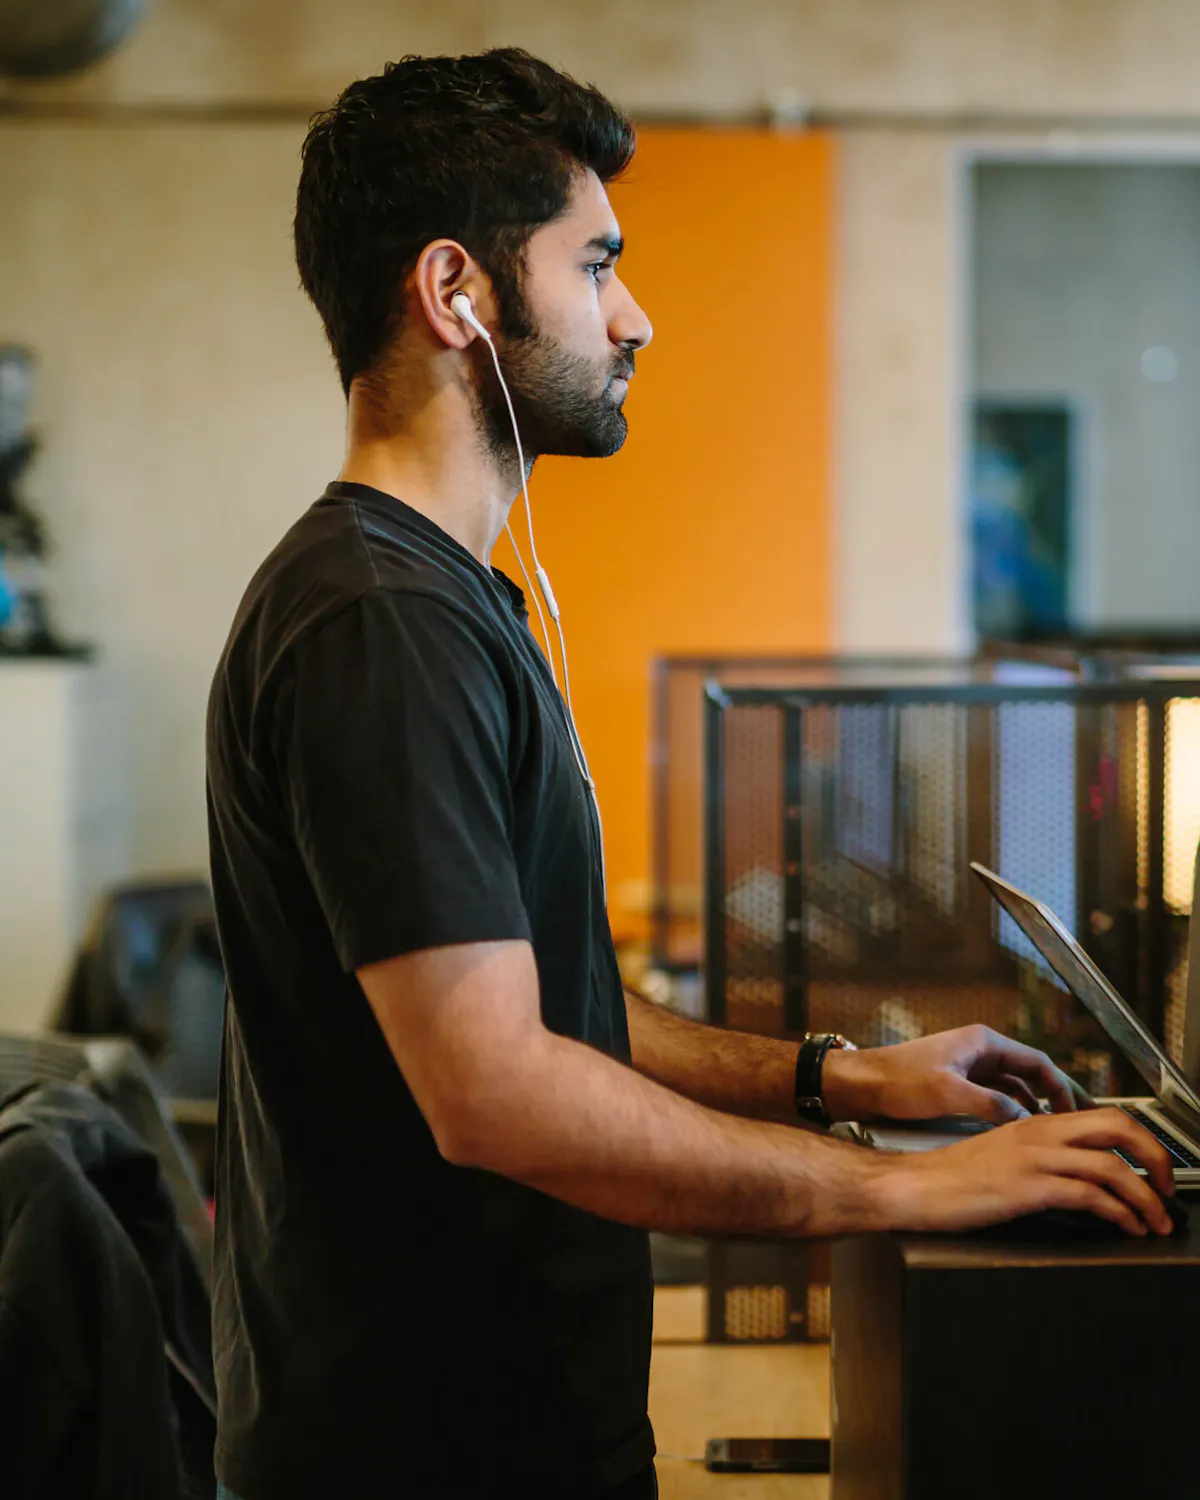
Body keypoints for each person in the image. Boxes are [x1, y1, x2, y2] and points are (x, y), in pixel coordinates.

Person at [205, 47, 1175, 1500]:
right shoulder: (380, 620)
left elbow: (554, 1008)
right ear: (456, 291)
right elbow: (497, 1092)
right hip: (423, 1453)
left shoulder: (436, 600)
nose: (634, 315)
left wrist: (835, 1077)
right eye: (596, 265)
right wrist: (901, 1189)